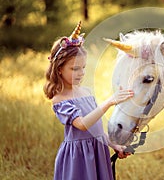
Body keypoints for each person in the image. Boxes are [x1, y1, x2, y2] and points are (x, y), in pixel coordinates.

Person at [43, 21, 133, 180]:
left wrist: (115, 145)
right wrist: (110, 101)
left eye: (83, 67)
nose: (81, 73)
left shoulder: (86, 92)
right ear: (59, 69)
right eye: (74, 69)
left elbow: (96, 130)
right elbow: (83, 125)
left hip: (98, 152)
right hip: (79, 158)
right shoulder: (60, 99)